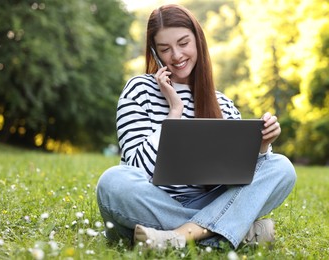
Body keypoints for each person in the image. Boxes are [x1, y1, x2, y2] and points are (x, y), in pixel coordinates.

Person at [96, 4, 296, 250]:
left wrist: (262, 146)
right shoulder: (139, 90)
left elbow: (242, 177)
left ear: (198, 42)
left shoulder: (222, 102)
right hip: (154, 201)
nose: (177, 55)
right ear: (154, 53)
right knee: (113, 182)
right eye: (165, 49)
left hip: (211, 201)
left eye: (183, 43)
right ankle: (231, 231)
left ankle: (178, 236)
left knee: (281, 167)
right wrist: (174, 112)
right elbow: (138, 167)